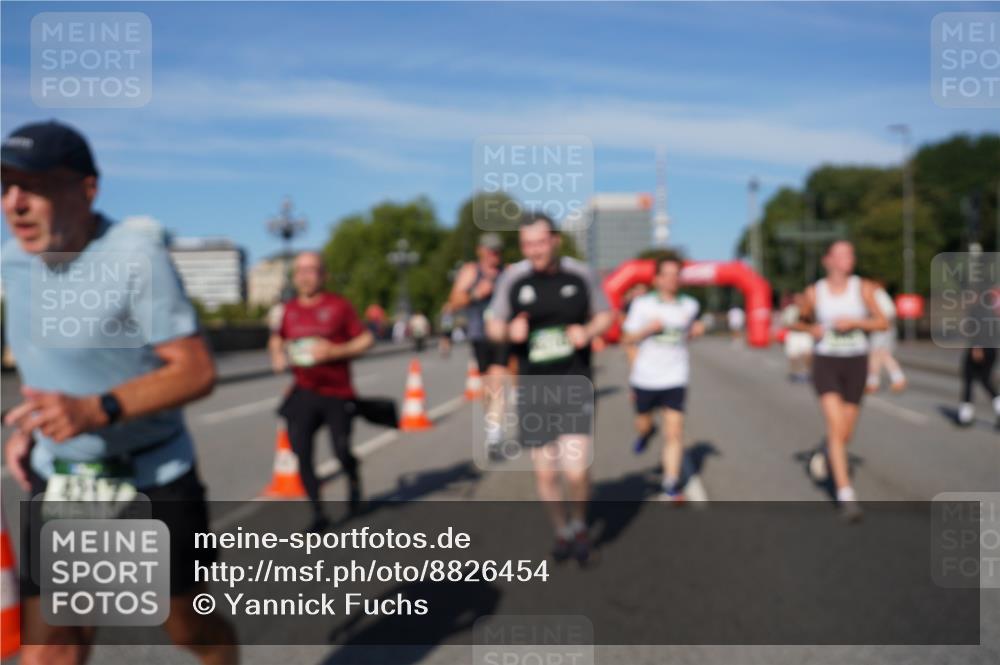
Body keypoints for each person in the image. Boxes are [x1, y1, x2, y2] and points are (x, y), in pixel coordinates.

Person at [1, 120, 237, 664]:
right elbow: (43, 357)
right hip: (64, 481)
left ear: (87, 189)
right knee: (51, 646)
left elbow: (196, 370)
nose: (14, 204)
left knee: (189, 628)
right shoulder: (13, 261)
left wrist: (95, 409)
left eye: (32, 185)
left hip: (151, 476)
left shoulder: (135, 255)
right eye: (5, 186)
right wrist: (40, 427)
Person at [487, 213, 613, 563]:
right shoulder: (514, 279)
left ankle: (579, 523)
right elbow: (493, 325)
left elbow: (606, 314)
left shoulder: (581, 274)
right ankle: (561, 530)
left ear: (555, 240)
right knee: (545, 472)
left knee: (575, 469)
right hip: (534, 386)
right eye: (528, 245)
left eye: (541, 243)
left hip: (574, 381)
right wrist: (508, 331)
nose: (535, 251)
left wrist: (587, 333)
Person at [269, 251, 375, 532]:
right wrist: (277, 356)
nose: (305, 275)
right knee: (300, 451)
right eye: (300, 270)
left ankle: (353, 480)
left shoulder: (339, 306)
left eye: (311, 270)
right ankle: (318, 512)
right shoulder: (289, 309)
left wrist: (335, 350)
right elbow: (277, 338)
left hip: (337, 391)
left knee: (341, 450)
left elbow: (366, 339)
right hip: (303, 390)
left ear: (323, 275)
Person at [794, 241, 887, 523]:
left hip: (855, 363)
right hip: (826, 363)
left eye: (851, 253)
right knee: (836, 427)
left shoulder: (863, 288)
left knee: (845, 432)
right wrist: (812, 327)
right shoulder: (815, 292)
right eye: (843, 254)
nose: (849, 258)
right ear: (828, 260)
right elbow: (797, 322)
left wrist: (856, 323)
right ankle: (845, 494)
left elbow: (882, 322)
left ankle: (825, 450)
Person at [621, 254, 704, 501]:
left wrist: (695, 331)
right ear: (656, 279)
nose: (671, 280)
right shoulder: (643, 305)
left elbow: (685, 334)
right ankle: (646, 432)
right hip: (646, 377)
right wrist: (647, 330)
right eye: (665, 275)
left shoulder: (689, 305)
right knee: (643, 424)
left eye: (675, 274)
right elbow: (626, 339)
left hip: (675, 376)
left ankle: (670, 483)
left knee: (675, 432)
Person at [447, 232, 510, 456]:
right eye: (491, 250)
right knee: (487, 386)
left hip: (502, 335)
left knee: (498, 380)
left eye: (498, 251)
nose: (495, 255)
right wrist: (475, 293)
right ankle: (493, 426)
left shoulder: (508, 272)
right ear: (480, 250)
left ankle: (495, 434)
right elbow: (454, 301)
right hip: (479, 335)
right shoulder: (471, 272)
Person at [866, 281, 906, 393]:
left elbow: (889, 313)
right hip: (885, 328)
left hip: (881, 329)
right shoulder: (881, 294)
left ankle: (873, 382)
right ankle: (896, 378)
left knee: (875, 354)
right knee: (882, 354)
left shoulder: (876, 294)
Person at [957, 345, 1000, 428]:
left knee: (968, 380)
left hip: (980, 348)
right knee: (985, 381)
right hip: (990, 350)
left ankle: (965, 416)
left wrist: (977, 348)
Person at [782, 292, 813, 383]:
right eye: (797, 299)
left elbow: (812, 321)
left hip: (805, 334)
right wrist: (797, 326)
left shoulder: (809, 308)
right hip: (794, 334)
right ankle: (794, 373)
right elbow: (787, 323)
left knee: (807, 354)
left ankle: (807, 372)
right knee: (793, 356)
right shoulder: (790, 310)